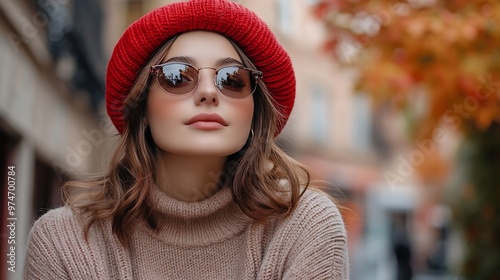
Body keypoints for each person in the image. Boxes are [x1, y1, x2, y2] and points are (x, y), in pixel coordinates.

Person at [23, 0, 349, 279]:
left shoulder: (304, 226)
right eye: (177, 76)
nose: (208, 92)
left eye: (232, 79)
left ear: (255, 112)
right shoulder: (63, 241)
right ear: (143, 106)